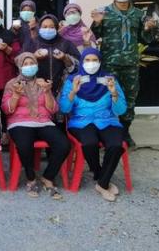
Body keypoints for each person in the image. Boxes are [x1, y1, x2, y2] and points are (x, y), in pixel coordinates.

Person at [90, 0, 156, 147]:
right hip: (109, 63)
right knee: (107, 97)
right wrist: (97, 22)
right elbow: (94, 36)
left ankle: (125, 131)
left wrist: (148, 29)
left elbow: (145, 39)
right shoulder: (104, 12)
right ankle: (107, 131)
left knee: (129, 98)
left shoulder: (139, 15)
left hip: (130, 64)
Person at [59, 48, 127, 202]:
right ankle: (99, 173)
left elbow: (121, 110)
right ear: (82, 62)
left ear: (100, 62)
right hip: (81, 121)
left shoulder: (110, 80)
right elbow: (64, 109)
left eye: (95, 60)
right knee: (89, 142)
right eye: (87, 60)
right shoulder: (73, 80)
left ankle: (102, 183)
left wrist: (113, 93)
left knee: (116, 145)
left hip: (107, 120)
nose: (91, 63)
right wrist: (73, 92)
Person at [2, 52, 71, 200]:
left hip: (43, 121)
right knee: (24, 144)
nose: (29, 66)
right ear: (19, 66)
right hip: (19, 122)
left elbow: (53, 109)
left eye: (32, 63)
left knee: (64, 144)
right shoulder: (12, 84)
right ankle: (31, 177)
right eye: (25, 64)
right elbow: (7, 110)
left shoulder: (43, 83)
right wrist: (16, 95)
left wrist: (47, 92)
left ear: (37, 65)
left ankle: (48, 177)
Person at [22, 14, 80, 96]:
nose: (48, 29)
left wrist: (65, 58)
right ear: (39, 28)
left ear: (57, 28)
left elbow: (78, 66)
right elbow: (20, 63)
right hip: (37, 89)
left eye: (52, 27)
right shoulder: (32, 43)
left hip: (61, 89)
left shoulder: (65, 43)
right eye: (44, 27)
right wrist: (34, 57)